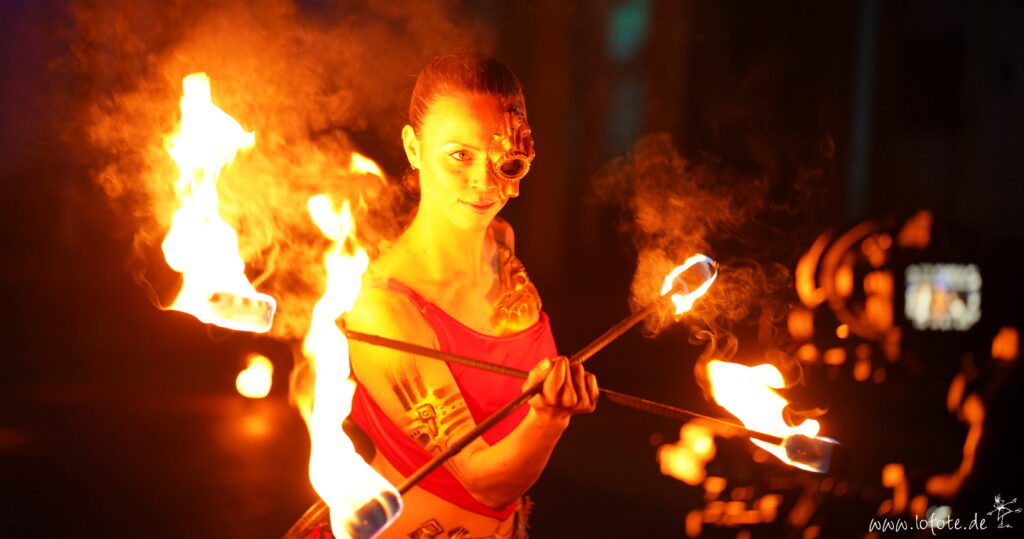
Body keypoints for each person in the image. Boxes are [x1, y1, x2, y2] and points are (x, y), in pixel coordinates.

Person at [344, 53, 599, 538]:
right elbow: (484, 483)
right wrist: (549, 418)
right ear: (413, 147)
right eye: (459, 155)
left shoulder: (500, 241)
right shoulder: (386, 312)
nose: (483, 181)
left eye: (501, 155)